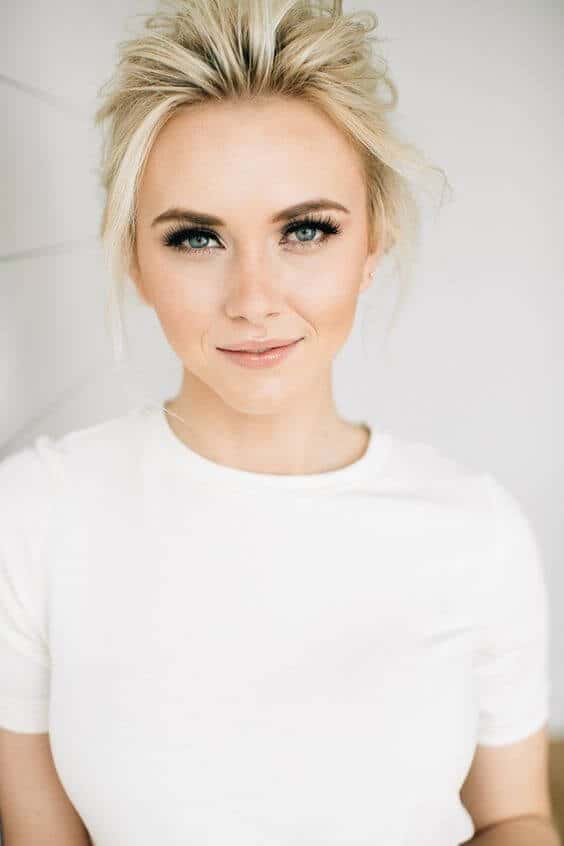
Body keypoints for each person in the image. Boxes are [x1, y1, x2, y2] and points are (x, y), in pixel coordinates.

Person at [0, 1, 556, 845]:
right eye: (195, 238)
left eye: (305, 230)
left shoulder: (476, 529)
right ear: (135, 264)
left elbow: (515, 816)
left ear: (373, 243)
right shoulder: (35, 515)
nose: (254, 298)